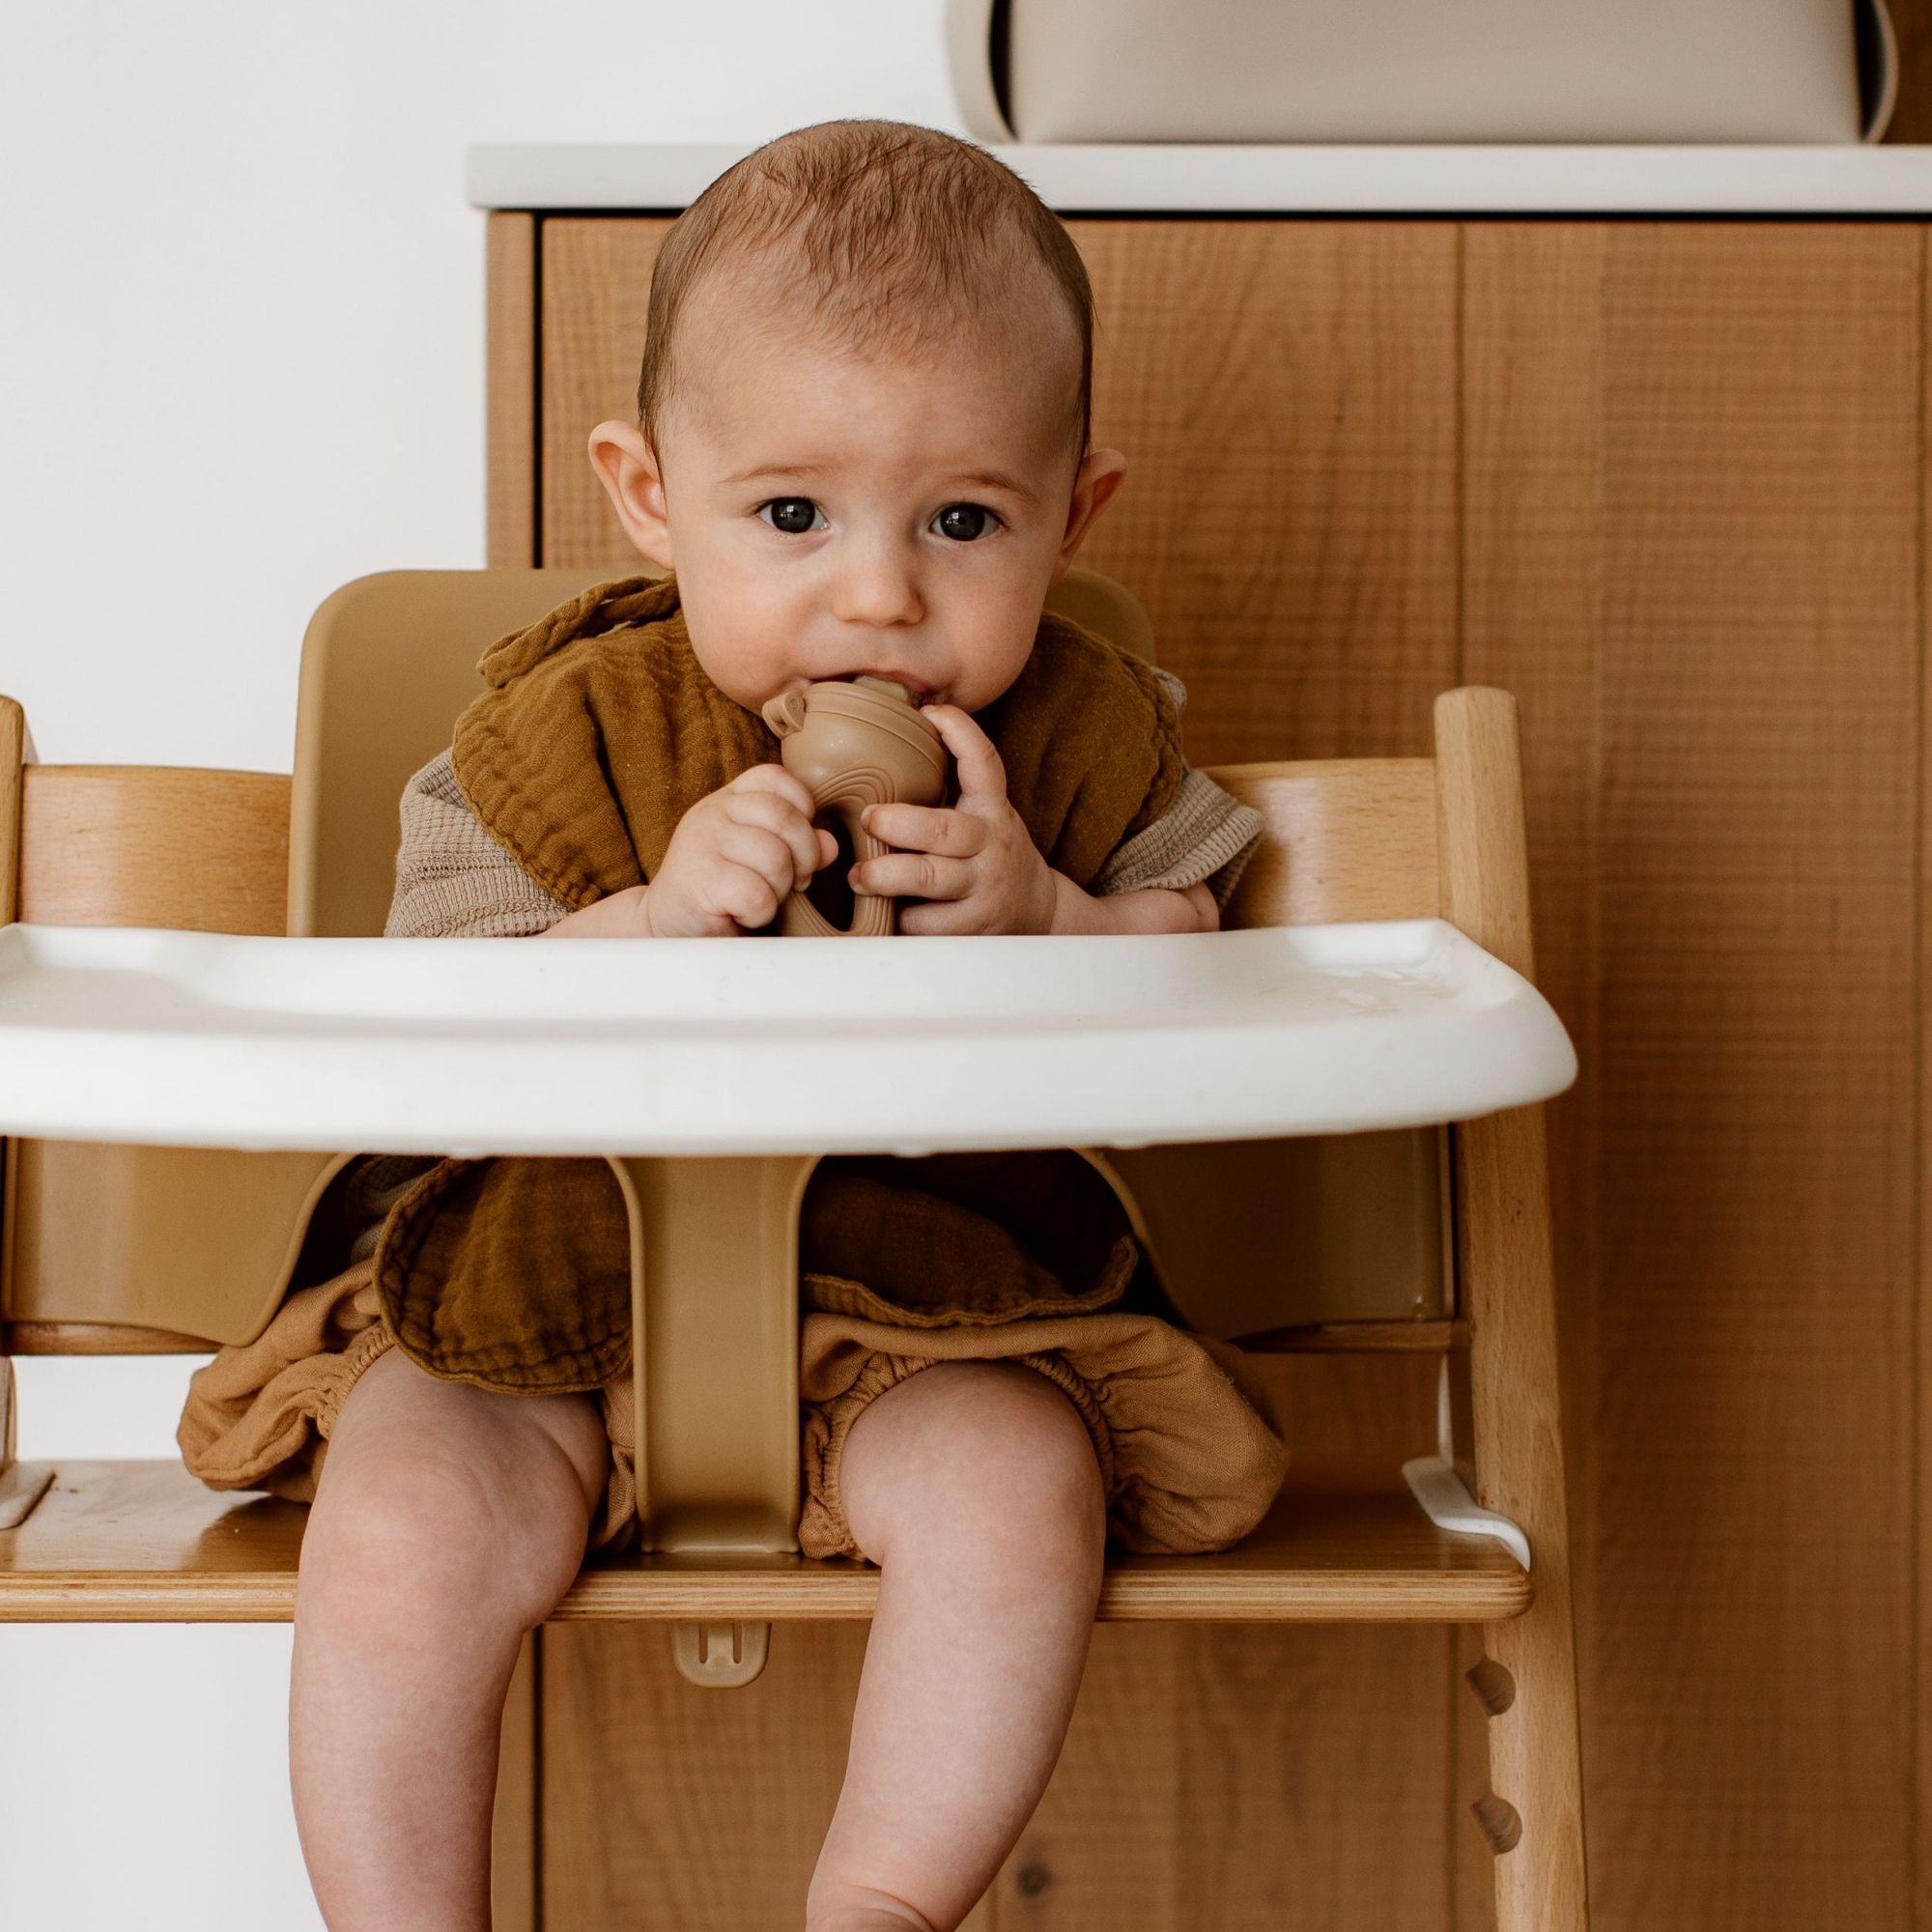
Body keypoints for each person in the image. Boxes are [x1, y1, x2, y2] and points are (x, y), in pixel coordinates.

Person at [178, 118, 1286, 1932]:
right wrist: (644, 922)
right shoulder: (554, 741)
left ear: (1071, 515)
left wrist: (1054, 917)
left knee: (1020, 1497)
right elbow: (425, 1018)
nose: (879, 595)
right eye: (791, 515)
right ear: (646, 493)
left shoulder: (1082, 752)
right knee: (401, 1521)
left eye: (963, 521)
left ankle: (876, 1909)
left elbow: (1217, 963)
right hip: (543, 1306)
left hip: (928, 1326)